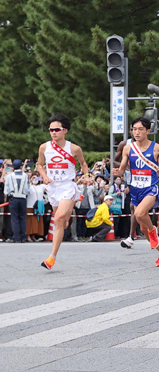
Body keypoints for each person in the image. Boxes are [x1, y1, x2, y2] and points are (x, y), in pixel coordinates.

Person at [113, 117, 159, 267]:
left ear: (148, 131)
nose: (137, 132)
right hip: (135, 189)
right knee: (143, 228)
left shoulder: (157, 148)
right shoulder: (128, 148)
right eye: (134, 129)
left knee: (140, 214)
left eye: (140, 129)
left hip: (150, 188)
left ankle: (153, 232)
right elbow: (123, 167)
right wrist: (118, 171)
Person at [37, 114, 91, 270]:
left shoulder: (74, 148)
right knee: (63, 221)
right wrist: (44, 176)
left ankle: (51, 257)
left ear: (65, 130)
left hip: (68, 186)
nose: (53, 133)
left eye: (56, 130)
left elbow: (83, 164)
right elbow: (40, 165)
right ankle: (66, 221)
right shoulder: (44, 147)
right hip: (52, 188)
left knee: (59, 219)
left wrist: (87, 176)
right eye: (51, 130)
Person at [4, 159, 30, 243]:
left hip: (13, 198)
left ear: (13, 167)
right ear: (20, 166)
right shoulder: (25, 175)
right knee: (22, 217)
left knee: (14, 218)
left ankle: (16, 237)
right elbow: (27, 187)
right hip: (23, 198)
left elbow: (6, 189)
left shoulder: (9, 176)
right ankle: (23, 237)